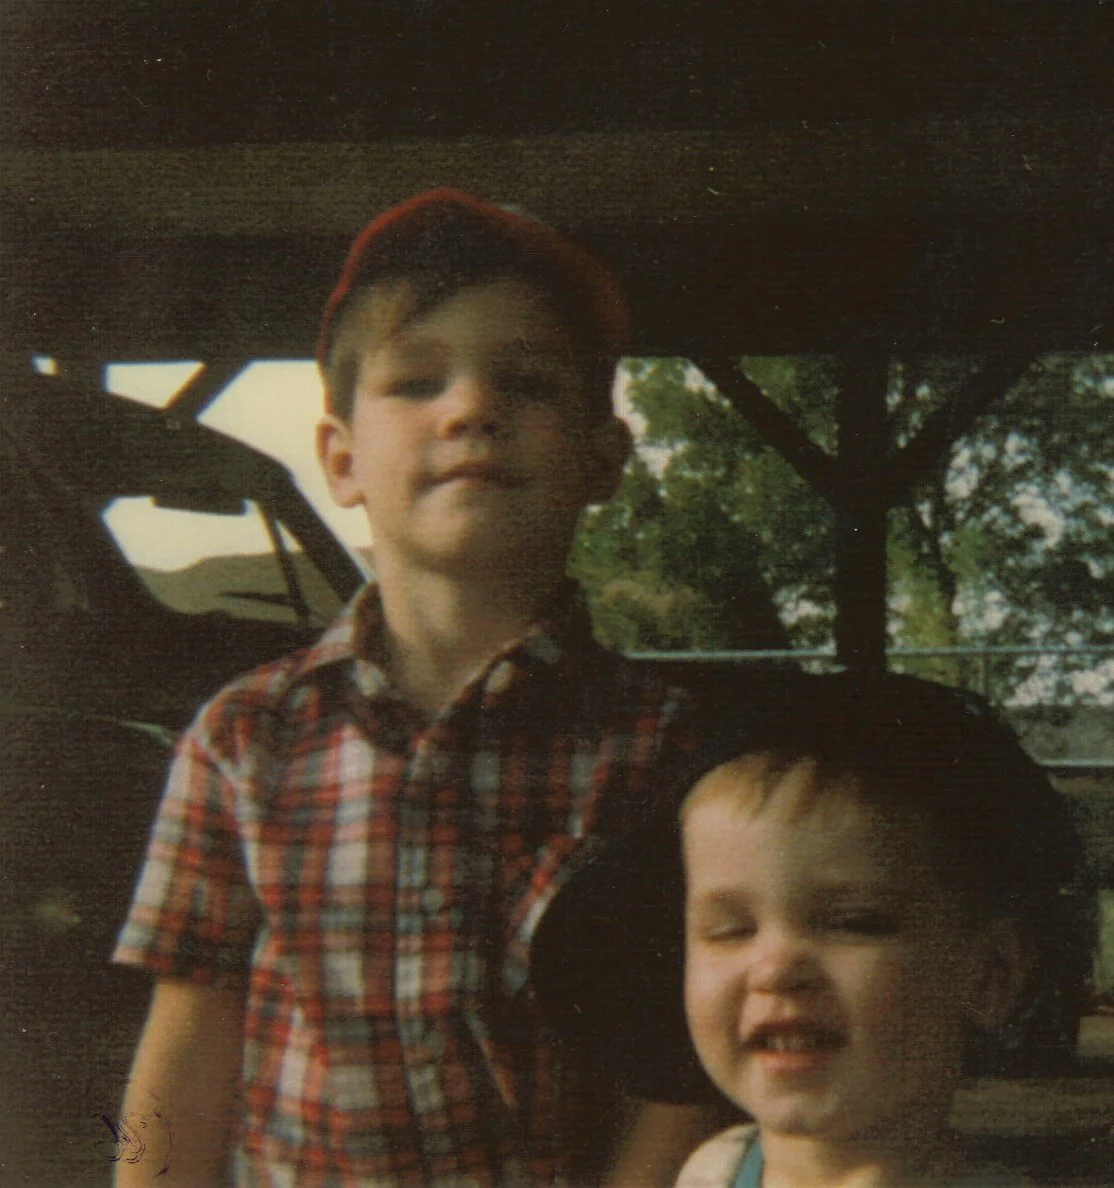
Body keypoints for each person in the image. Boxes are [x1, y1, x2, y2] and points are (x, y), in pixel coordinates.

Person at [112, 189, 721, 1187]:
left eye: (525, 383)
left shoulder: (662, 748)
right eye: (416, 381)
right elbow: (177, 1059)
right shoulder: (239, 740)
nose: (470, 408)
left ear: (603, 458)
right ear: (341, 460)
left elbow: (674, 1074)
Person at [532, 673, 1094, 1187]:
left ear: (989, 975)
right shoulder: (718, 1170)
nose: (777, 967)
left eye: (852, 923)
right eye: (729, 930)